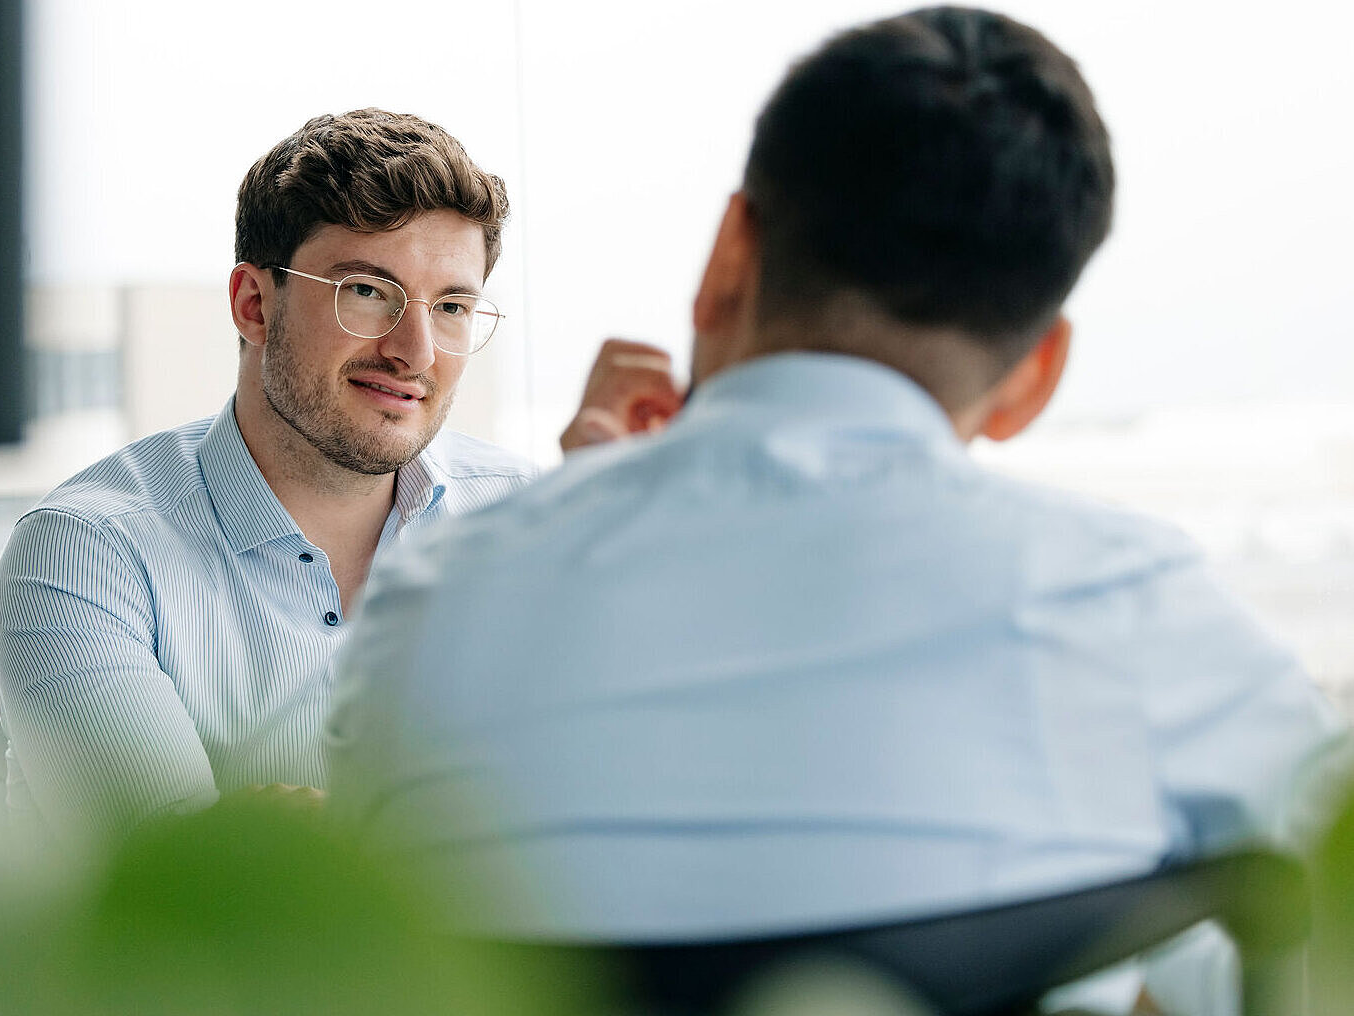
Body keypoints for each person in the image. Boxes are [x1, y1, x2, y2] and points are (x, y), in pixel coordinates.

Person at [327, 9, 1350, 942]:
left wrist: (566, 519)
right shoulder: (1137, 610)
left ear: (730, 255)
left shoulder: (433, 598)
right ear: (1033, 378)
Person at [0, 110, 535, 840]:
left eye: (451, 307)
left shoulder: (525, 520)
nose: (416, 352)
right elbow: (185, 882)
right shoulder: (88, 548)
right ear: (254, 305)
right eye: (368, 292)